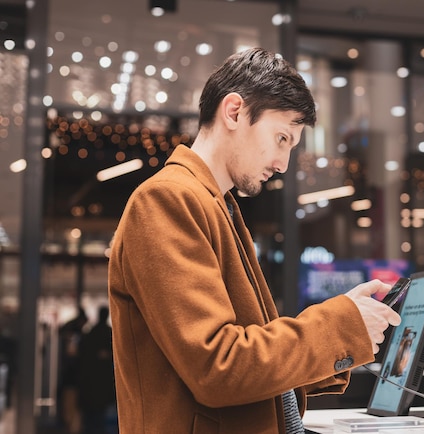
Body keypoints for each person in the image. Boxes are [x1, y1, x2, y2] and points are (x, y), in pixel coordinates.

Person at [108, 47, 401, 434]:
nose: (283, 163)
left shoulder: (215, 204)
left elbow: (246, 366)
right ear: (233, 112)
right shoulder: (168, 200)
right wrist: (339, 327)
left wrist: (347, 333)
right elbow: (219, 367)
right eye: (281, 138)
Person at [78, 306, 116, 434]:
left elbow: (84, 355)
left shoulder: (91, 332)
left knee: (92, 414)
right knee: (101, 413)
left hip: (91, 380)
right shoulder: (109, 332)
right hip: (103, 379)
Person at [57, 307, 88, 433]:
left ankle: (71, 426)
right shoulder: (74, 337)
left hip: (70, 380)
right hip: (72, 380)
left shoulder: (69, 333)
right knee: (71, 408)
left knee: (70, 408)